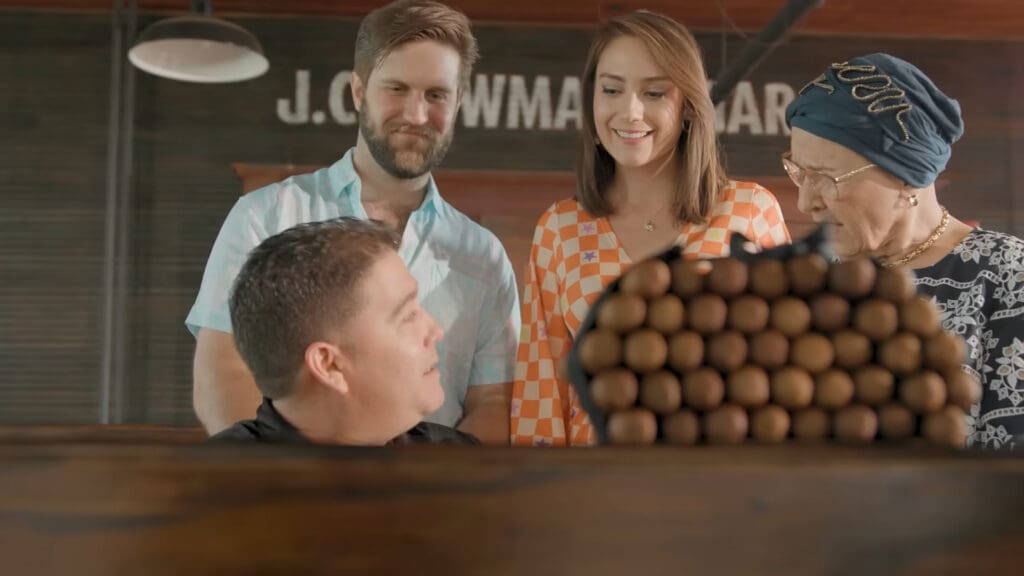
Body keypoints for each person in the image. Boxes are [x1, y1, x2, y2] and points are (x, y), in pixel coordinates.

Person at [187, 0, 519, 444]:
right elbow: (222, 376)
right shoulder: (267, 215)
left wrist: (419, 493)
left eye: (436, 94)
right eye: (396, 89)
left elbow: (494, 404)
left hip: (433, 502)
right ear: (359, 91)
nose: (417, 115)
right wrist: (301, 490)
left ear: (458, 101)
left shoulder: (483, 255)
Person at [510, 10, 792, 446]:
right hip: (591, 492)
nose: (630, 111)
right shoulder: (559, 228)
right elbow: (540, 391)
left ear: (687, 106)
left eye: (655, 92)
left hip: (721, 489)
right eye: (611, 90)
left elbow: (786, 375)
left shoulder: (751, 211)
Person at [784, 53, 1024, 449]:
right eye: (798, 173)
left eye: (826, 178)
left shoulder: (1008, 273)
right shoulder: (808, 277)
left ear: (907, 176)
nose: (806, 202)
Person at [211, 218, 477, 445]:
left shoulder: (466, 467)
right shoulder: (206, 490)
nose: (436, 331)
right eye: (407, 315)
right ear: (329, 364)